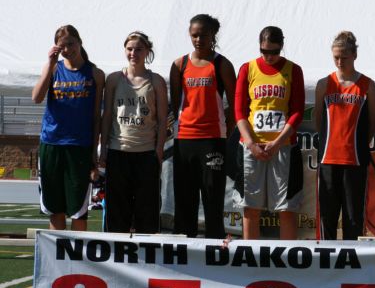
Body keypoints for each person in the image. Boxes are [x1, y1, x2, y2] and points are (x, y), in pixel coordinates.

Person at [169, 14, 236, 239]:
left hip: (212, 139)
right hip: (184, 139)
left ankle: (215, 243)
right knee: (185, 197)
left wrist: (224, 128)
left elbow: (236, 105)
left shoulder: (222, 64)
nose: (198, 39)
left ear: (212, 35)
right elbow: (176, 105)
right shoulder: (179, 64)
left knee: (212, 196)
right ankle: (184, 244)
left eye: (203, 35)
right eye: (194, 35)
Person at [235, 26, 305, 240]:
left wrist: (277, 142)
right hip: (251, 147)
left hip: (282, 147)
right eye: (264, 51)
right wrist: (251, 144)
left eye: (274, 51)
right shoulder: (248, 68)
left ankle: (288, 260)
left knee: (286, 209)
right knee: (251, 208)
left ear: (282, 47)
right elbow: (239, 111)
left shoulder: (293, 70)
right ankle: (250, 256)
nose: (269, 56)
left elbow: (297, 111)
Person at [32, 25, 105, 231]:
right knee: (55, 208)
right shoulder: (54, 69)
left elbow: (96, 117)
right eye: (62, 46)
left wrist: (95, 151)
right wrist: (50, 63)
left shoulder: (95, 74)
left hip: (79, 146)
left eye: (71, 44)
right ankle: (58, 258)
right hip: (52, 143)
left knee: (78, 210)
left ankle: (77, 259)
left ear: (80, 42)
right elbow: (36, 97)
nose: (67, 49)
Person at [99, 32, 168, 234]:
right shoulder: (113, 79)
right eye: (129, 48)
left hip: (146, 153)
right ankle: (116, 257)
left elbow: (163, 119)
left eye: (138, 49)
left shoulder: (156, 81)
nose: (133, 53)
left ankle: (146, 260)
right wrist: (103, 150)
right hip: (118, 150)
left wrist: (159, 150)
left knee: (146, 212)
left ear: (147, 51)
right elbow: (107, 116)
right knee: (117, 212)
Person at [314, 31, 375, 240]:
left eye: (344, 56)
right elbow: (317, 120)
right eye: (336, 57)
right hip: (328, 160)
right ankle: (327, 263)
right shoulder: (324, 84)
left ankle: (351, 266)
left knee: (353, 218)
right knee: (328, 217)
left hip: (355, 160)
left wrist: (357, 145)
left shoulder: (367, 85)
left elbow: (371, 123)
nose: (340, 61)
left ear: (354, 56)